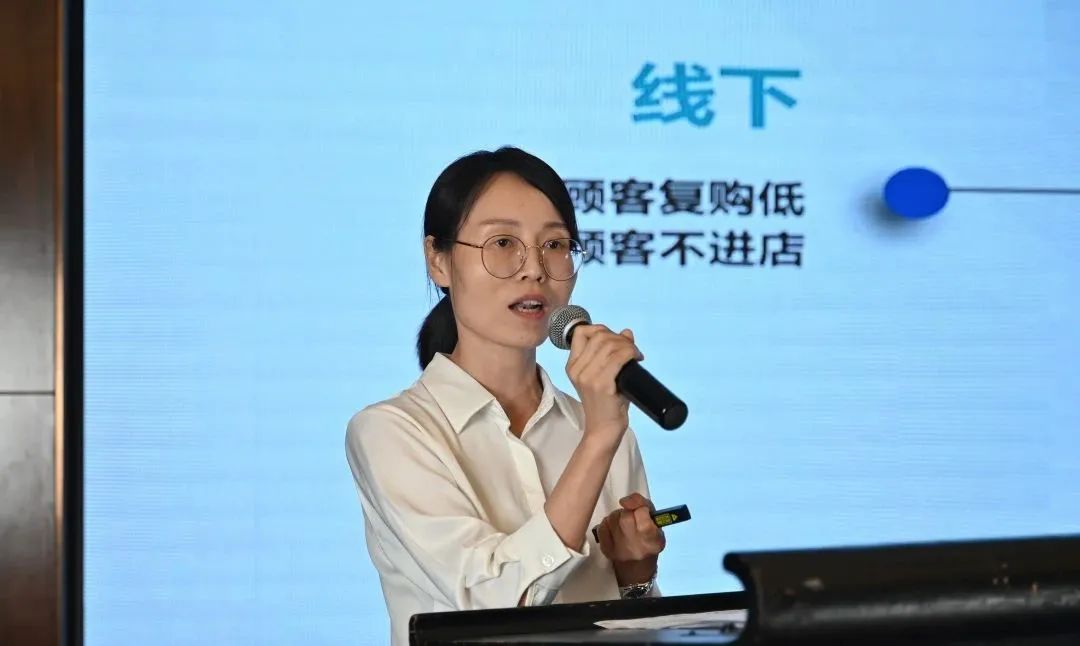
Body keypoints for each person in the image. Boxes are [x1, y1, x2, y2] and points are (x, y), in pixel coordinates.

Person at [345, 146, 665, 645]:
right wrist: (599, 437)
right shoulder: (391, 431)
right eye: (502, 243)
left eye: (555, 244)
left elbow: (635, 630)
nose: (534, 268)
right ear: (438, 260)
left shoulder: (601, 425)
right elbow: (493, 602)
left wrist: (635, 576)